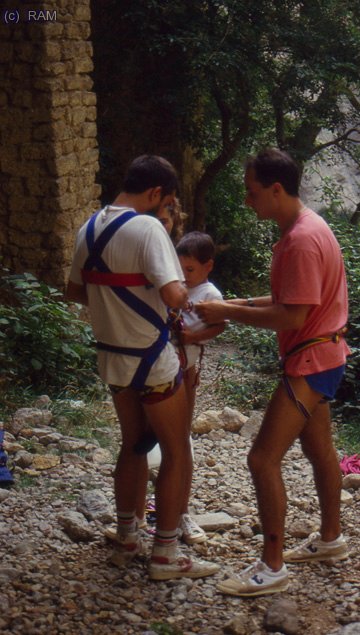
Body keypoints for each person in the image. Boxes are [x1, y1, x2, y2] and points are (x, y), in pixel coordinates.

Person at [196, 148, 350, 597]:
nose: (248, 201)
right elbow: (290, 298)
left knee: (262, 458)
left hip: (311, 360)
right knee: (320, 449)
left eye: (252, 192)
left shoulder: (301, 240)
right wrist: (238, 304)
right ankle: (331, 538)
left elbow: (293, 315)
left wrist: (227, 311)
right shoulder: (308, 227)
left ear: (276, 190)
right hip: (326, 356)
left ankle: (272, 565)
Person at [66, 154, 219, 581]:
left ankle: (127, 536)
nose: (167, 211)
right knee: (175, 451)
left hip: (112, 358)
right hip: (152, 360)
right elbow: (173, 296)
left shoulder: (89, 227)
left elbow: (75, 291)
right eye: (167, 203)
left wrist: (117, 306)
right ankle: (166, 555)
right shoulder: (149, 227)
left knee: (133, 443)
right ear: (155, 194)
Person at [174, 231, 226, 542]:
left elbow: (220, 325)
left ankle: (182, 511)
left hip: (186, 368)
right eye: (180, 269)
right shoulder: (179, 288)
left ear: (208, 266)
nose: (184, 275)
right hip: (166, 365)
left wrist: (192, 338)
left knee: (181, 437)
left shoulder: (210, 294)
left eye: (190, 270)